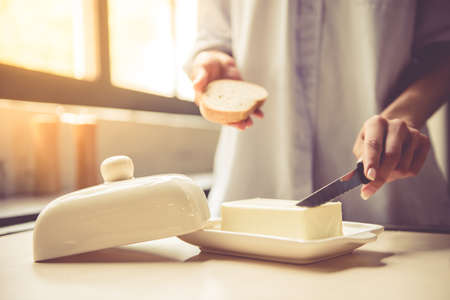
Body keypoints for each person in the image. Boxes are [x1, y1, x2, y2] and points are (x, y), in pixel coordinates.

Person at [185, 0, 450, 228]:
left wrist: (405, 113)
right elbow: (213, 36)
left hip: (393, 216)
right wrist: (211, 61)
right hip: (247, 202)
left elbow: (443, 46)